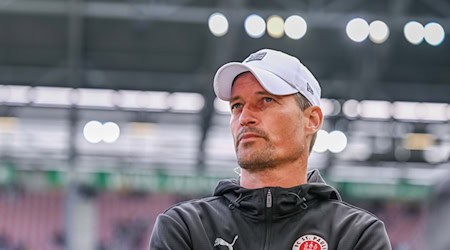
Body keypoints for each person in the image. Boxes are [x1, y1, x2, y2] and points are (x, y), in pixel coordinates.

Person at [150, 48, 392, 249]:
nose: (244, 117)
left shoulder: (357, 234)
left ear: (312, 120)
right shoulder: (185, 227)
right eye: (236, 105)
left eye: (266, 100)